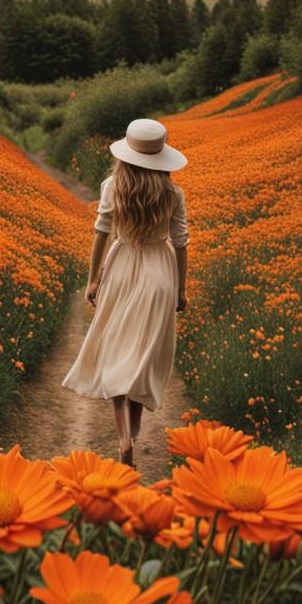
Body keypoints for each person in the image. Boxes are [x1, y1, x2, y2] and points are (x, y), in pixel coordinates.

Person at [61, 118, 189, 466]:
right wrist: (180, 290)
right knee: (142, 358)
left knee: (118, 354)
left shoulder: (112, 186)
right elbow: (180, 244)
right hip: (160, 274)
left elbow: (101, 234)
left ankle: (123, 441)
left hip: (121, 269)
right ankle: (133, 433)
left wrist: (93, 280)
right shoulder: (172, 193)